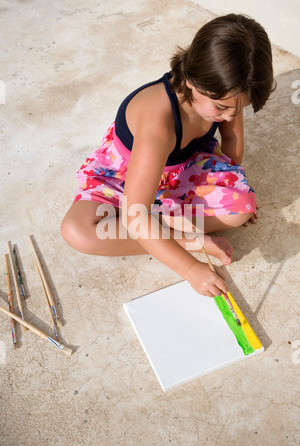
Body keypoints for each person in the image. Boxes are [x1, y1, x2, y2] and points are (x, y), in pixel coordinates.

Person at [61, 14, 275, 297]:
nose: (231, 115)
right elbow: (136, 214)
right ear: (193, 83)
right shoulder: (158, 124)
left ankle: (160, 224)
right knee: (78, 231)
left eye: (240, 108)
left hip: (183, 170)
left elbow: (232, 138)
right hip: (124, 177)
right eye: (222, 108)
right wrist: (190, 268)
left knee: (241, 210)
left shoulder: (224, 95)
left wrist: (234, 181)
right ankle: (184, 238)